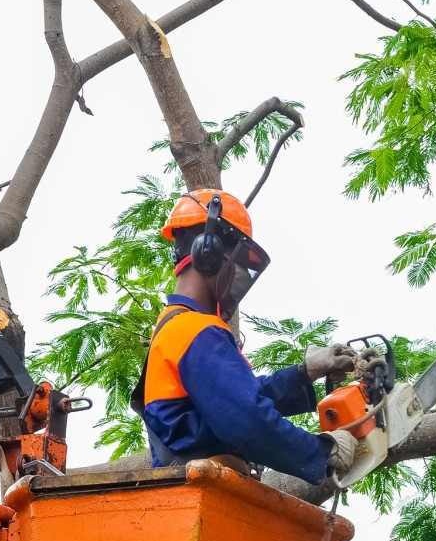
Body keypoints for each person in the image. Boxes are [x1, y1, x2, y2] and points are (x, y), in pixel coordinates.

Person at [130, 188, 358, 483]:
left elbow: (238, 400)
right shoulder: (195, 330)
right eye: (237, 265)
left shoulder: (176, 327)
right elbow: (246, 418)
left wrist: (305, 372)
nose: (239, 277)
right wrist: (320, 451)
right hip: (202, 491)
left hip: (197, 483)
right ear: (208, 252)